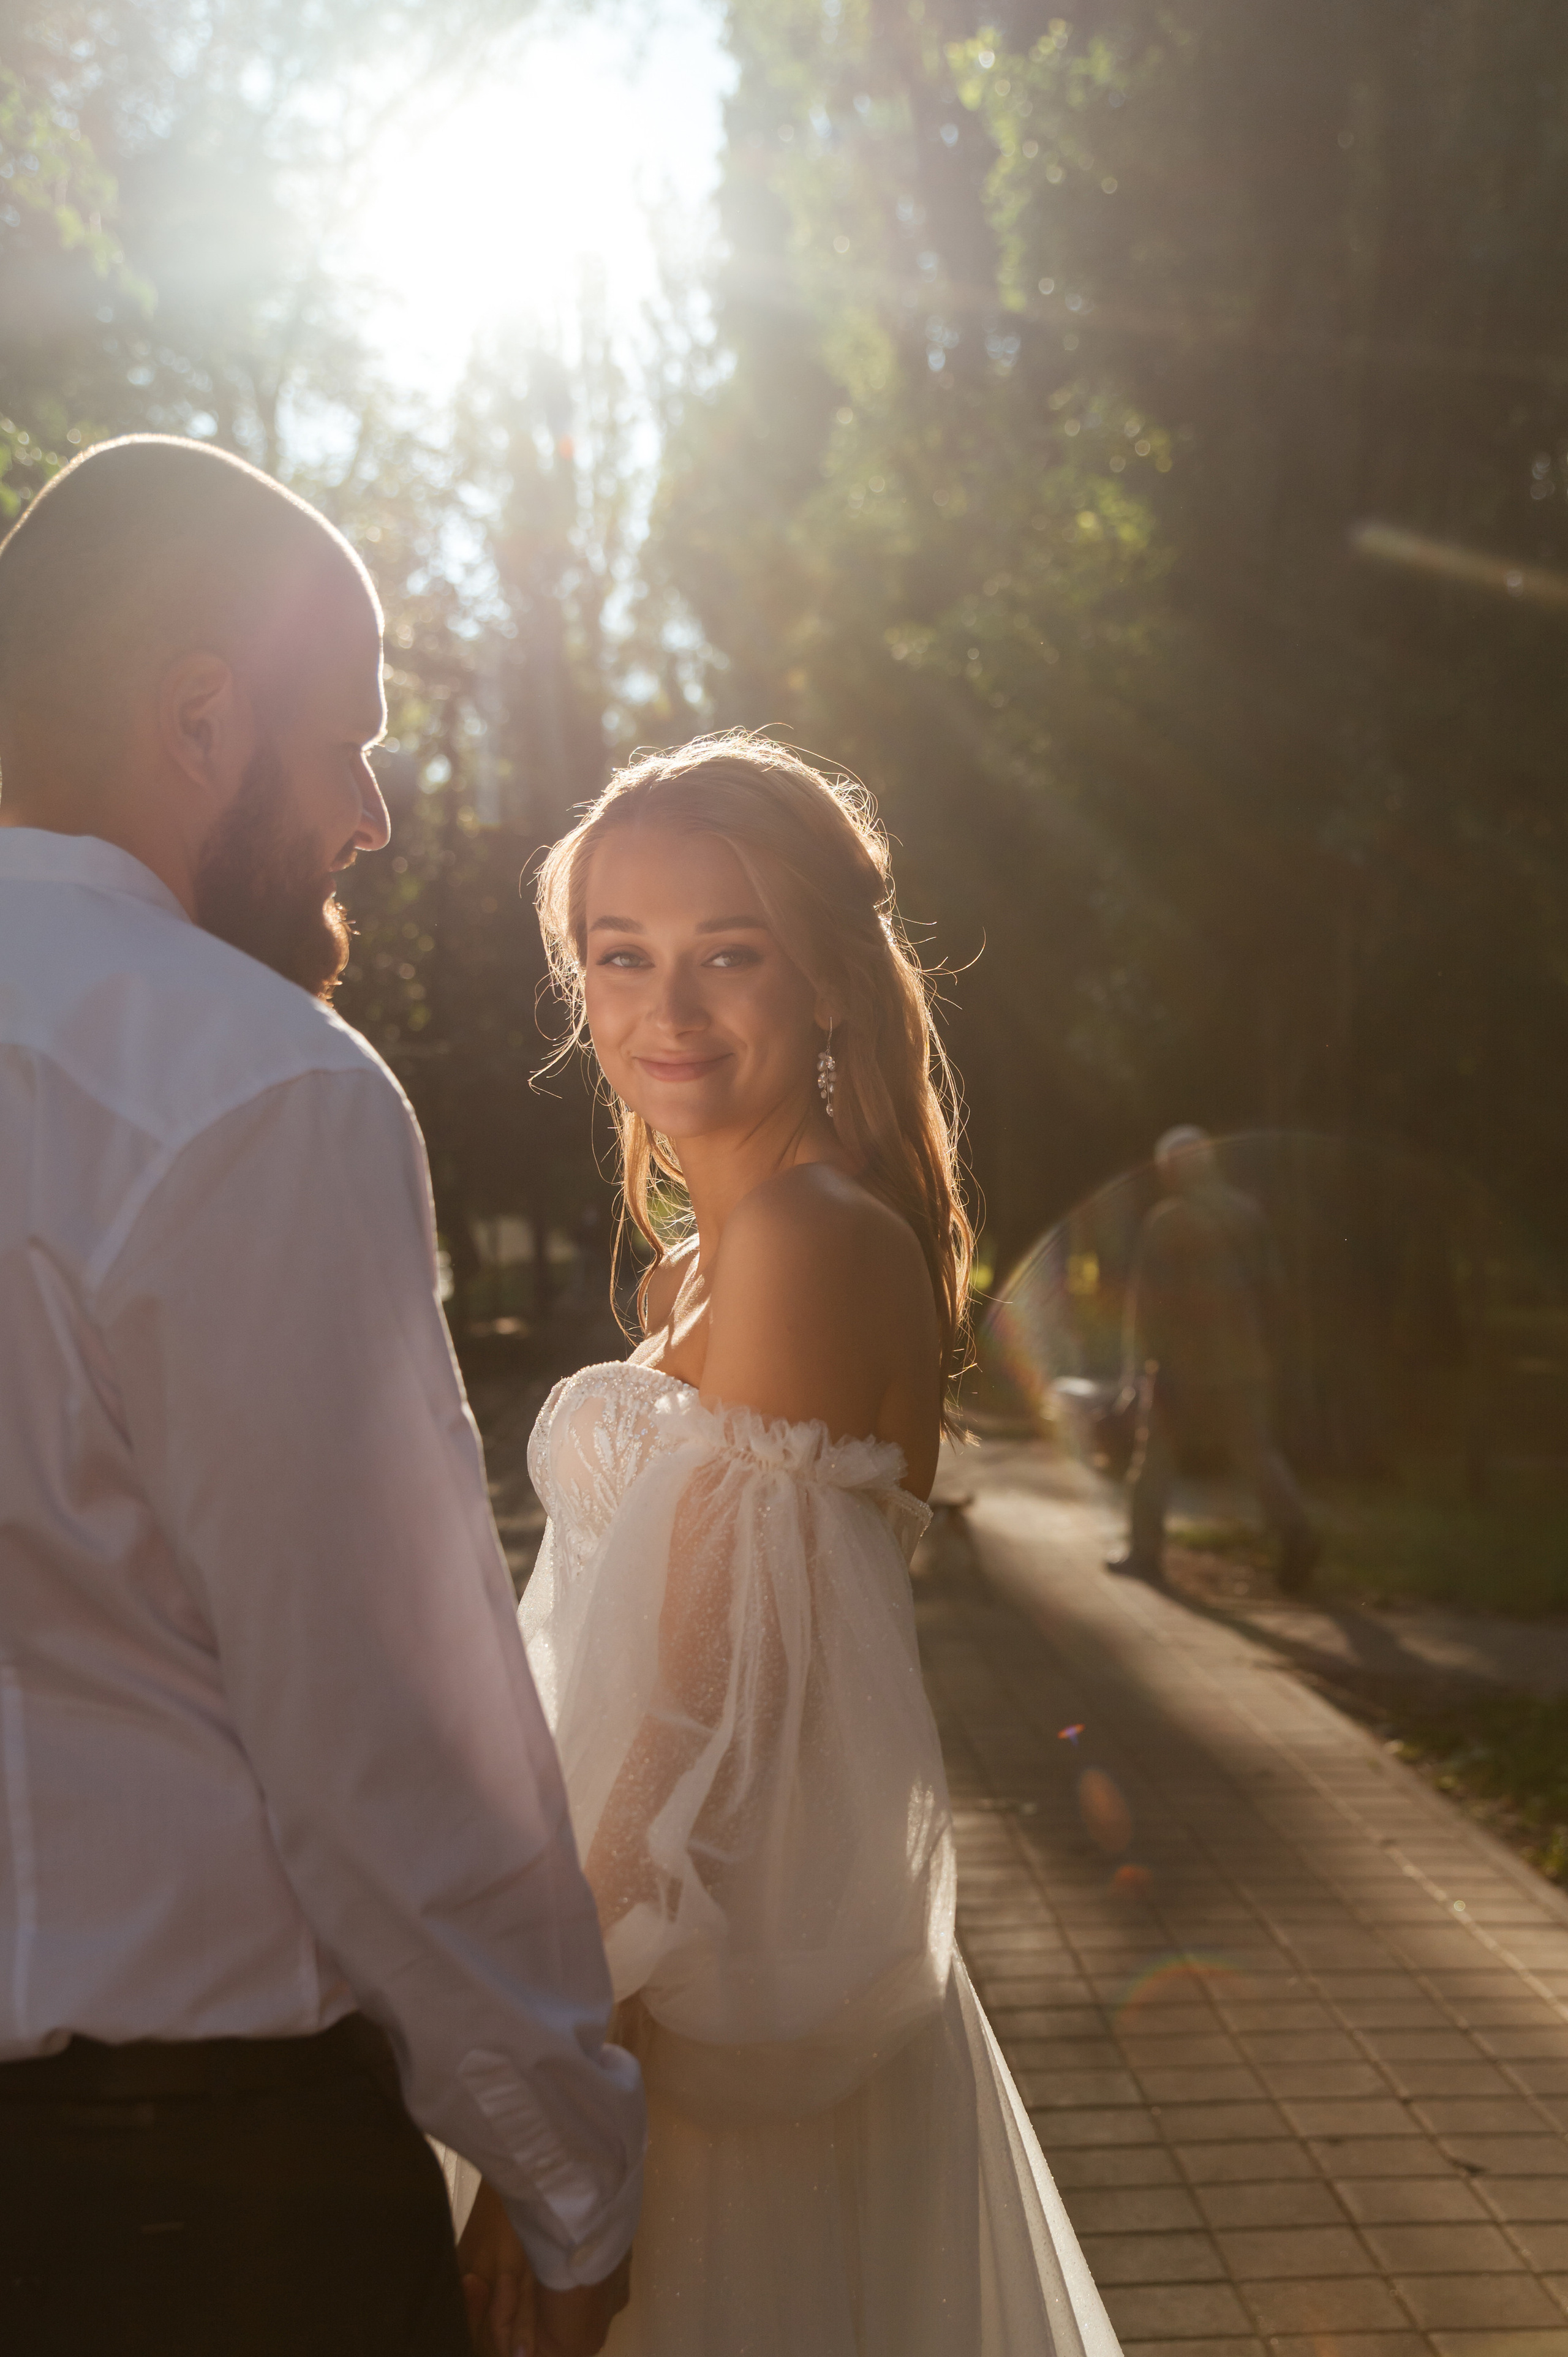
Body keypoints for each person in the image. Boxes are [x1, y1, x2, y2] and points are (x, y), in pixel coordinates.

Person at [0, 436, 643, 2355]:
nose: (369, 813)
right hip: (180, 2212)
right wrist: (568, 2162)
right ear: (201, 715)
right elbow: (382, 1721)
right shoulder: (251, 1082)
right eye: (346, 740)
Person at [457, 736, 1119, 2357]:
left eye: (726, 955)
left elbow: (697, 1731)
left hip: (711, 2034)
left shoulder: (807, 1242)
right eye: (622, 957)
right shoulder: (707, 1259)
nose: (665, 1008)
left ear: (827, 981)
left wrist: (565, 2132)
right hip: (646, 1979)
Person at [1107, 1125, 1321, 1593]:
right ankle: (1297, 1532)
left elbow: (1148, 1301)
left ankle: (1143, 1554)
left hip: (1179, 1366)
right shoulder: (1248, 1214)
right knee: (1257, 1452)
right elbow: (1274, 1290)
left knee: (1156, 1459)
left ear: (1171, 1170)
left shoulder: (1168, 1221)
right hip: (1243, 1362)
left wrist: (1140, 1365)